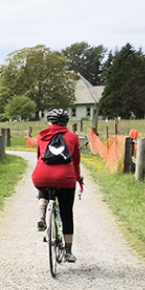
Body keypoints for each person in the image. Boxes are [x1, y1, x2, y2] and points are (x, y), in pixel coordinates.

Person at [32, 108, 84, 262]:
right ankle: (68, 251)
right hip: (66, 178)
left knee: (43, 187)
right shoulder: (73, 137)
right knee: (66, 213)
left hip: (41, 175)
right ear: (66, 123)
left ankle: (41, 213)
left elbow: (38, 157)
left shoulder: (41, 137)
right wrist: (78, 177)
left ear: (50, 122)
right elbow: (75, 162)